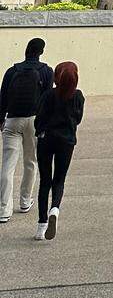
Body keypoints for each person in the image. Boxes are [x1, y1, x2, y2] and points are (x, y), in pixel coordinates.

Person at [1, 37, 53, 224]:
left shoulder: (11, 71)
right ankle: (24, 201)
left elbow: (2, 97)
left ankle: (3, 209)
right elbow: (47, 98)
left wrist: (1, 120)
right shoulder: (46, 71)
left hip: (12, 119)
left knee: (7, 165)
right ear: (41, 52)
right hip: (33, 120)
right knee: (30, 161)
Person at [33, 62, 83, 241]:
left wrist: (39, 131)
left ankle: (41, 224)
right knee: (59, 180)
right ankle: (55, 208)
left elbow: (39, 118)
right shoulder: (77, 96)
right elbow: (77, 119)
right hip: (66, 141)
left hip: (46, 140)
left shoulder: (48, 95)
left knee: (44, 181)